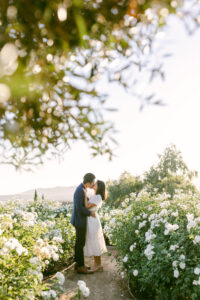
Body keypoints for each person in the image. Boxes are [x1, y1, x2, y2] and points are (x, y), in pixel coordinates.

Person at [70, 173, 96, 274]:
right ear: (88, 182)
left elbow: (84, 203)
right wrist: (90, 213)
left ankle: (78, 264)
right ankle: (80, 266)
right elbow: (80, 208)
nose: (93, 184)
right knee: (80, 243)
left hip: (79, 219)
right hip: (79, 220)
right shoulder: (80, 190)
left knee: (79, 243)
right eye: (93, 182)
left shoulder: (83, 189)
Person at [83, 180, 107, 272]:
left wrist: (84, 195)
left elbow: (87, 206)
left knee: (95, 240)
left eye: (95, 183)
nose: (94, 184)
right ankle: (96, 264)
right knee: (93, 241)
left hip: (93, 220)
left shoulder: (98, 197)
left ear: (99, 186)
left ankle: (98, 265)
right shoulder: (95, 195)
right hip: (90, 219)